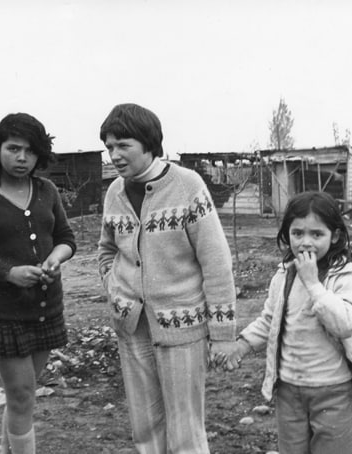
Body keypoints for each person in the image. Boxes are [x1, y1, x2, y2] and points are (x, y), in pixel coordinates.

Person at [97, 103, 238, 453]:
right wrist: (115, 288)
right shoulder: (114, 192)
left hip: (182, 327)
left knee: (184, 429)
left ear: (148, 143)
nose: (114, 155)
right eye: (109, 146)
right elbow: (106, 250)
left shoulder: (187, 186)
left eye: (123, 145)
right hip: (131, 326)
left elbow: (216, 263)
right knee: (144, 428)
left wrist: (222, 334)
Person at [223, 191, 352, 453]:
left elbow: (346, 323)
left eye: (316, 234)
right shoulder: (284, 275)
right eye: (298, 233)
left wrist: (312, 283)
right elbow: (270, 320)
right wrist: (242, 344)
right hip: (289, 389)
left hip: (332, 390)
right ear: (287, 235)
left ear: (336, 236)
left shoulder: (346, 276)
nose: (306, 242)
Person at [0, 113, 76, 454]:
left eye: (30, 151)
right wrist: (9, 273)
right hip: (5, 314)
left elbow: (66, 238)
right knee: (22, 395)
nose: (22, 158)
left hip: (47, 310)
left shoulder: (47, 190)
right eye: (13, 148)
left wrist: (56, 258)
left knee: (21, 396)